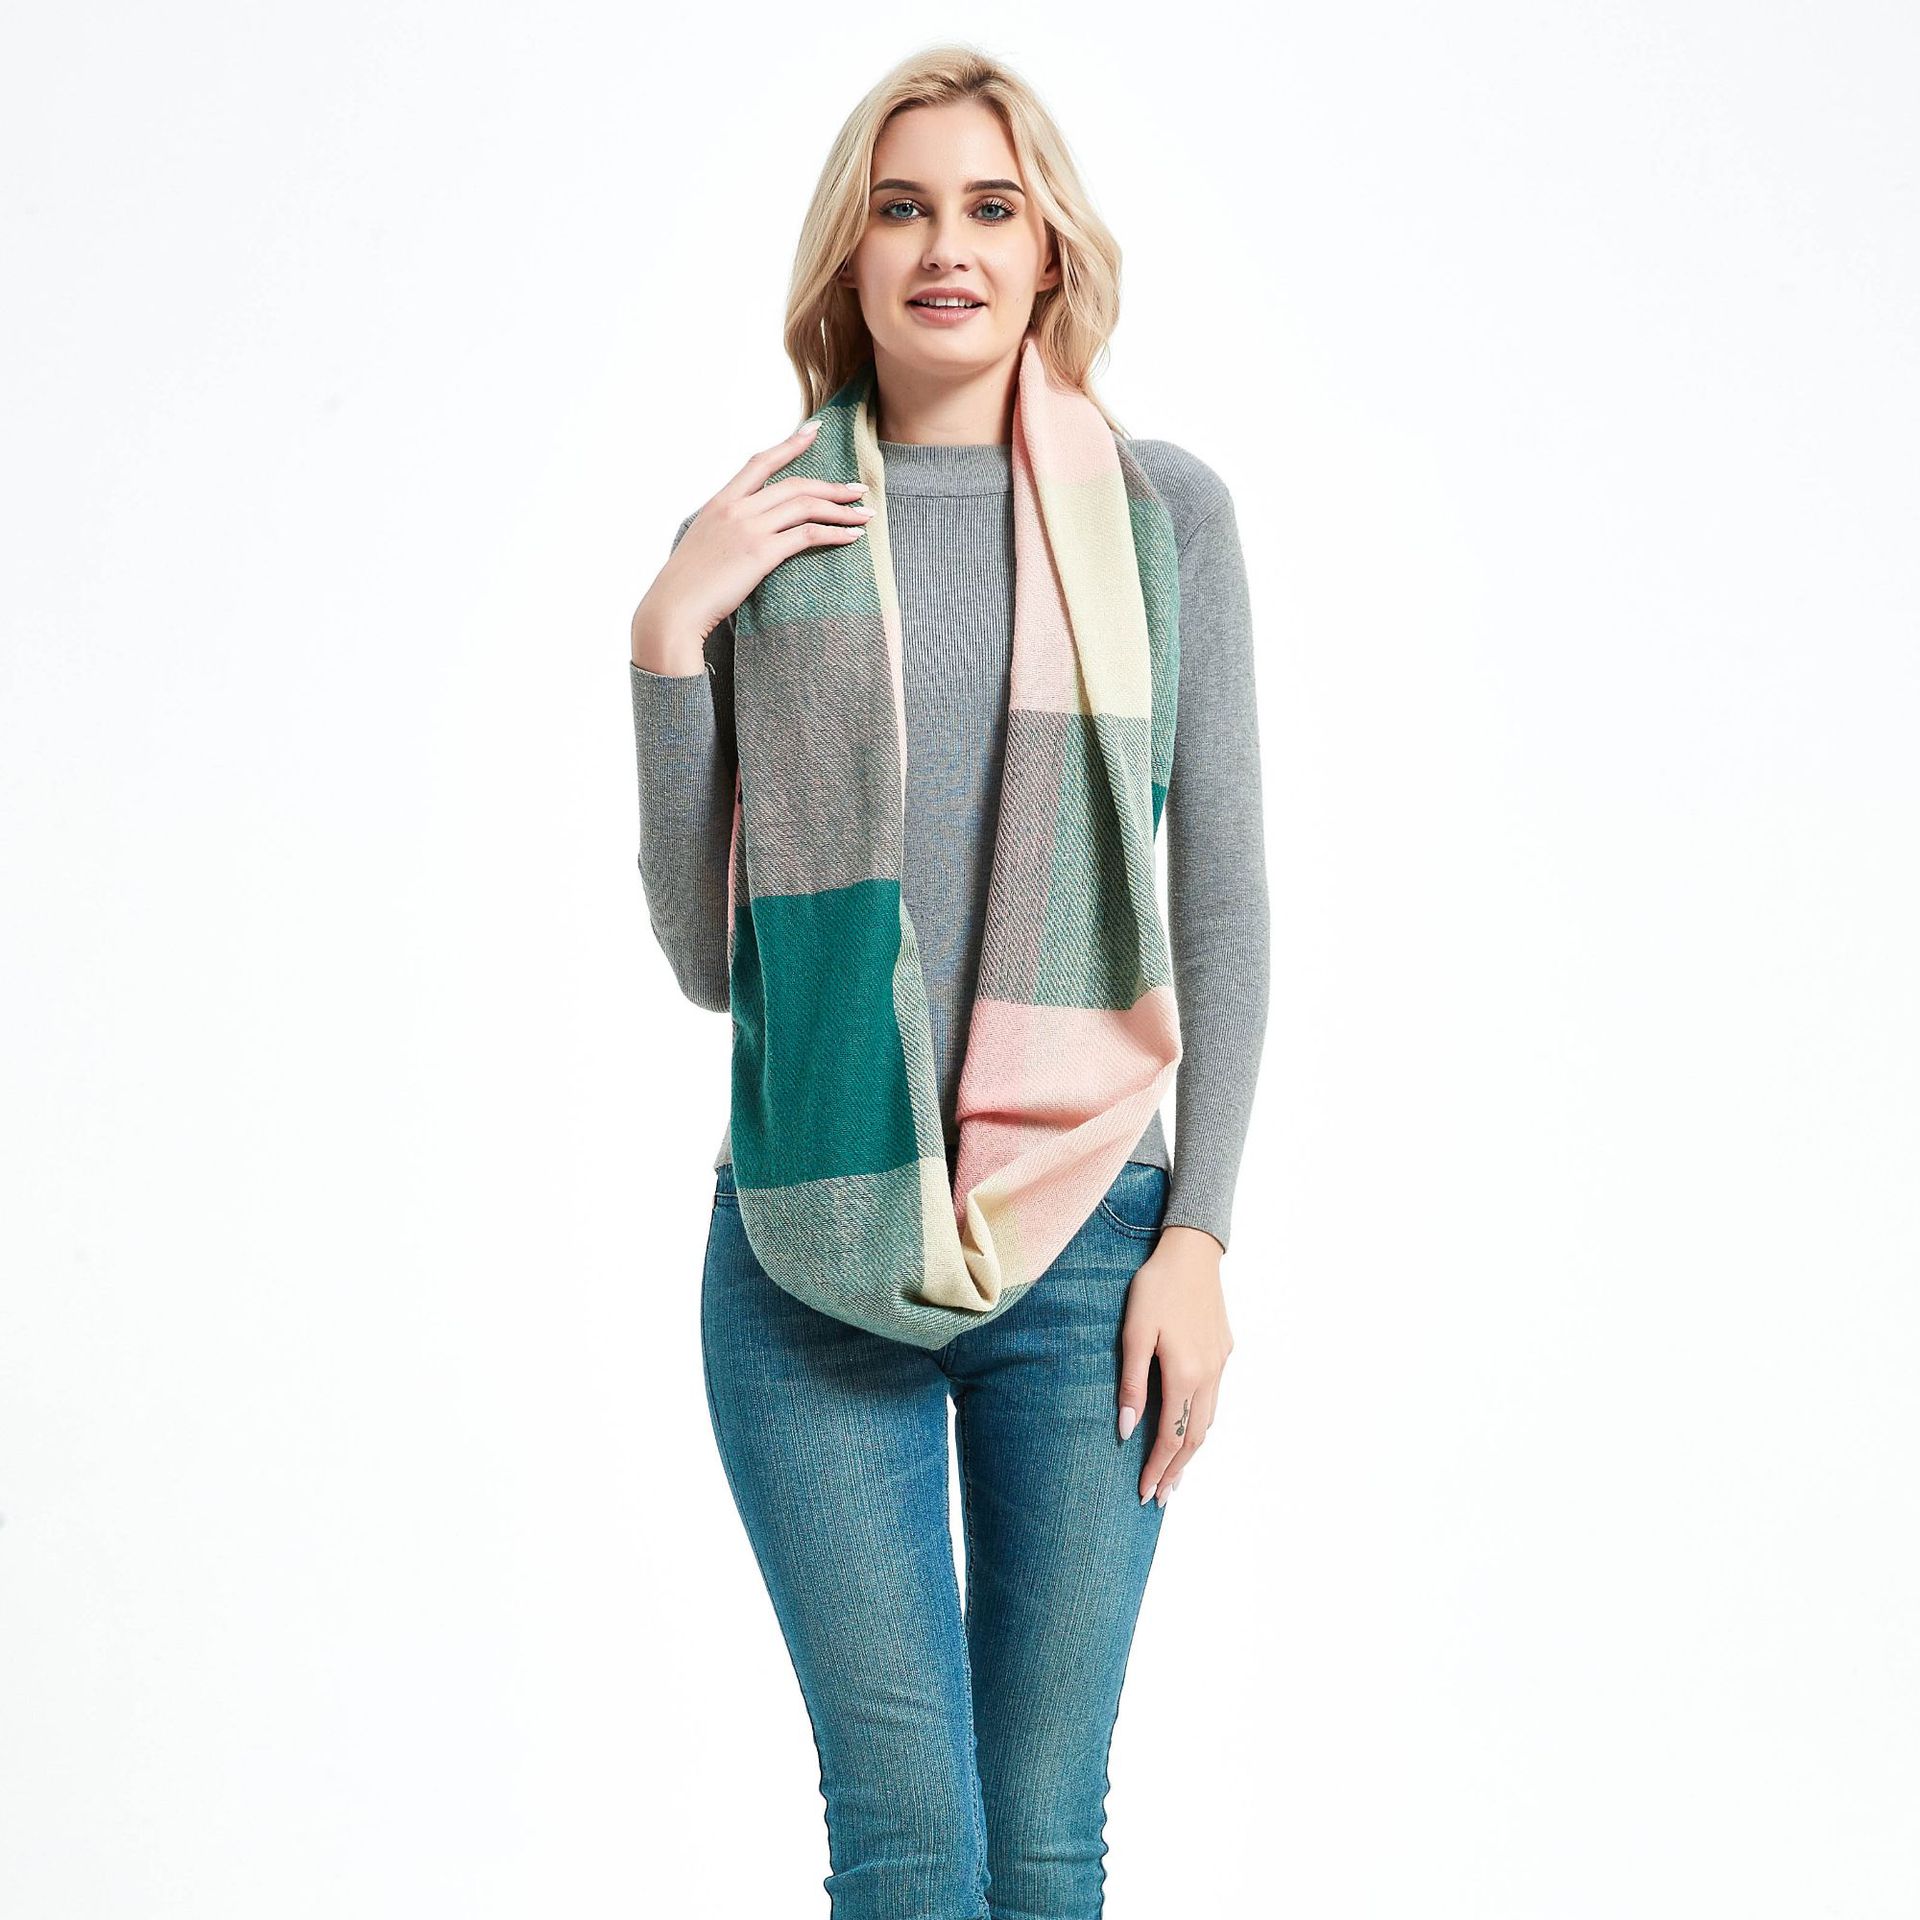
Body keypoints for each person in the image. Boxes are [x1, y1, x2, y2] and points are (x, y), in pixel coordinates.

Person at [627, 44, 1270, 1920]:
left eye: (992, 206)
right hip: (811, 1242)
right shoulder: (761, 535)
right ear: (851, 251)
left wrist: (1201, 1237)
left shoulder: (1163, 518)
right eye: (902, 208)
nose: (947, 248)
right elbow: (709, 962)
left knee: (1046, 1826)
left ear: (1050, 248)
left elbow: (1223, 899)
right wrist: (668, 635)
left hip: (1095, 1251)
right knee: (911, 1837)